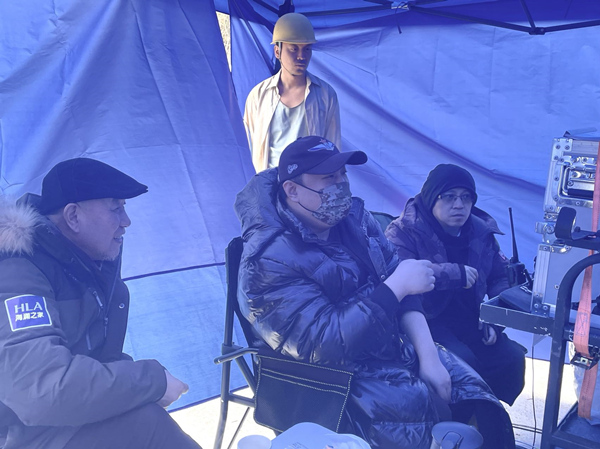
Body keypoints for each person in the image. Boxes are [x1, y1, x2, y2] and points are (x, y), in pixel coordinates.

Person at [234, 137, 515, 449]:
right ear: (292, 189)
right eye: (328, 177)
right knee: (434, 422)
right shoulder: (267, 260)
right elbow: (323, 344)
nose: (341, 185)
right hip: (336, 380)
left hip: (393, 349)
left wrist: (429, 356)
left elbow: (406, 286)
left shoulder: (355, 220)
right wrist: (395, 288)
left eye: (343, 174)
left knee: (482, 407)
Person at [0, 158, 201, 449]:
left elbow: (96, 357)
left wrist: (142, 388)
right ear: (73, 216)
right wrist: (152, 381)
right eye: (115, 208)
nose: (126, 221)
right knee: (148, 425)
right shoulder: (19, 275)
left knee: (147, 419)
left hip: (58, 426)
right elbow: (43, 390)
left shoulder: (83, 266)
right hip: (22, 436)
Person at [385, 163, 526, 406]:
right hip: (423, 321)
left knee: (511, 359)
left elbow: (500, 277)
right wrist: (454, 273)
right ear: (432, 197)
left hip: (470, 319)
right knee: (462, 364)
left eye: (466, 197)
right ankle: (457, 419)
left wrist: (495, 317)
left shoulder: (481, 232)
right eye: (449, 197)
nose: (459, 205)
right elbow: (400, 275)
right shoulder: (403, 231)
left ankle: (487, 413)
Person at [243, 13, 341, 172]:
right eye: (293, 49)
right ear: (277, 52)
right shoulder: (258, 96)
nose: (301, 56)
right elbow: (249, 146)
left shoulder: (326, 95)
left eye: (307, 49)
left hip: (310, 183)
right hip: (270, 182)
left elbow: (332, 148)